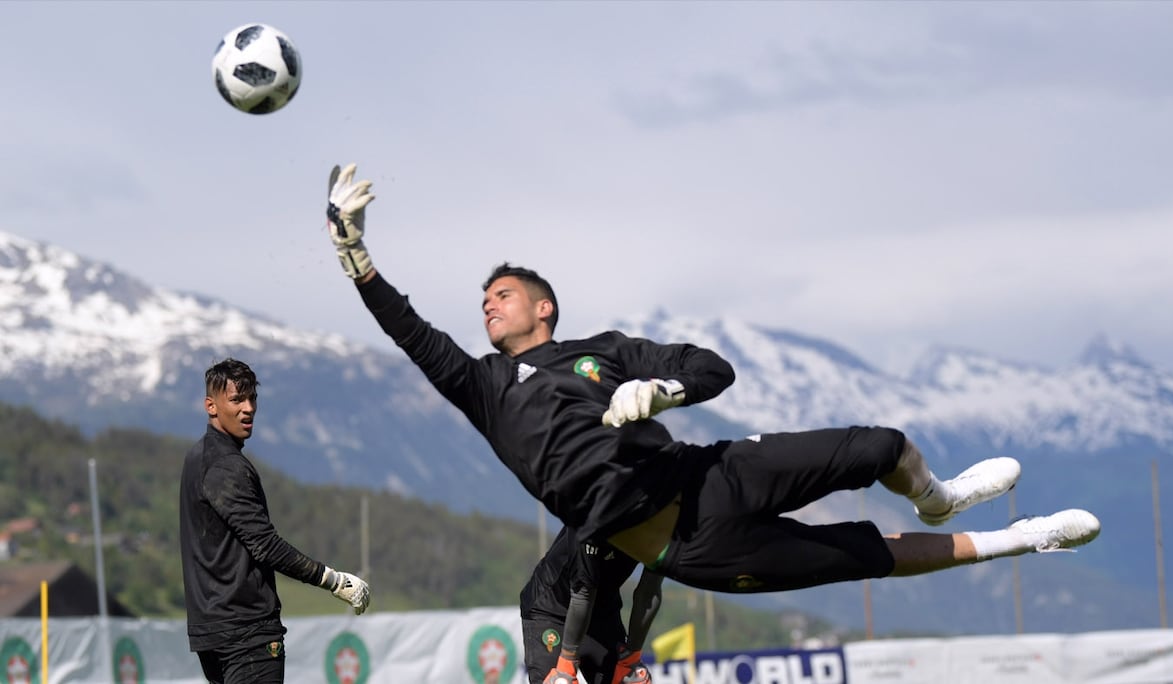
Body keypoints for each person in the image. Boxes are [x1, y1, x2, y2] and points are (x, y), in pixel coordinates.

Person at [322, 162, 1099, 602]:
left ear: (544, 306)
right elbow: (409, 330)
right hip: (689, 548)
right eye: (483, 299)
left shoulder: (606, 349)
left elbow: (712, 368)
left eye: (503, 294)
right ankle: (1021, 539)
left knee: (883, 445)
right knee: (870, 553)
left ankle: (941, 491)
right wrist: (356, 255)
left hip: (711, 473)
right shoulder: (483, 385)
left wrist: (662, 393)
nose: (487, 304)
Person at [179, 358, 371, 683]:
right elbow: (265, 545)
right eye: (237, 399)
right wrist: (333, 580)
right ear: (211, 406)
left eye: (252, 398)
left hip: (211, 630)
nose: (249, 408)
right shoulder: (227, 466)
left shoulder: (196, 458)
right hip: (247, 632)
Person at [521, 526, 660, 684]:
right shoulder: (592, 516)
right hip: (551, 610)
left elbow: (649, 593)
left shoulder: (665, 520)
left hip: (602, 613)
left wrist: (631, 659)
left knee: (631, 679)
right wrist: (566, 664)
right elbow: (583, 592)